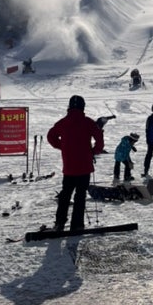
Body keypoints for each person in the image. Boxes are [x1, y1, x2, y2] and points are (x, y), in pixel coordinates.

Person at [46, 95, 104, 233]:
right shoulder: (88, 122)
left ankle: (59, 223)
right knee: (80, 195)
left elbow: (51, 136)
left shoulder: (63, 122)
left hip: (69, 167)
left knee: (65, 195)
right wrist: (93, 151)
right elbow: (99, 140)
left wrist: (63, 146)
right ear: (83, 107)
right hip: (85, 166)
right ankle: (77, 224)